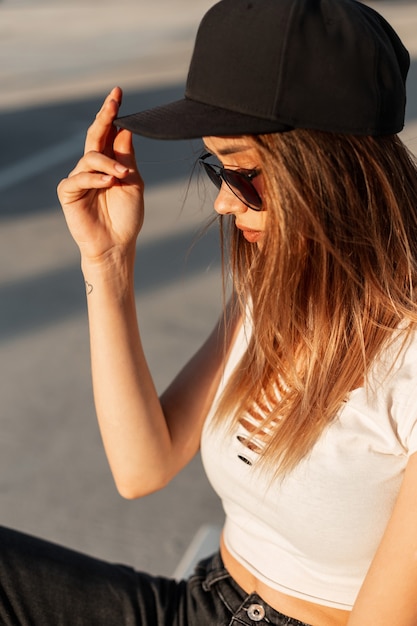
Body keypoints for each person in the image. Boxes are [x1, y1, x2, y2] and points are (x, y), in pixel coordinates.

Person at [1, 0, 417, 624]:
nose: (224, 202)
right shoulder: (279, 290)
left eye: (242, 172)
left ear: (328, 172)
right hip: (198, 601)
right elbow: (143, 466)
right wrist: (107, 265)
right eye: (215, 167)